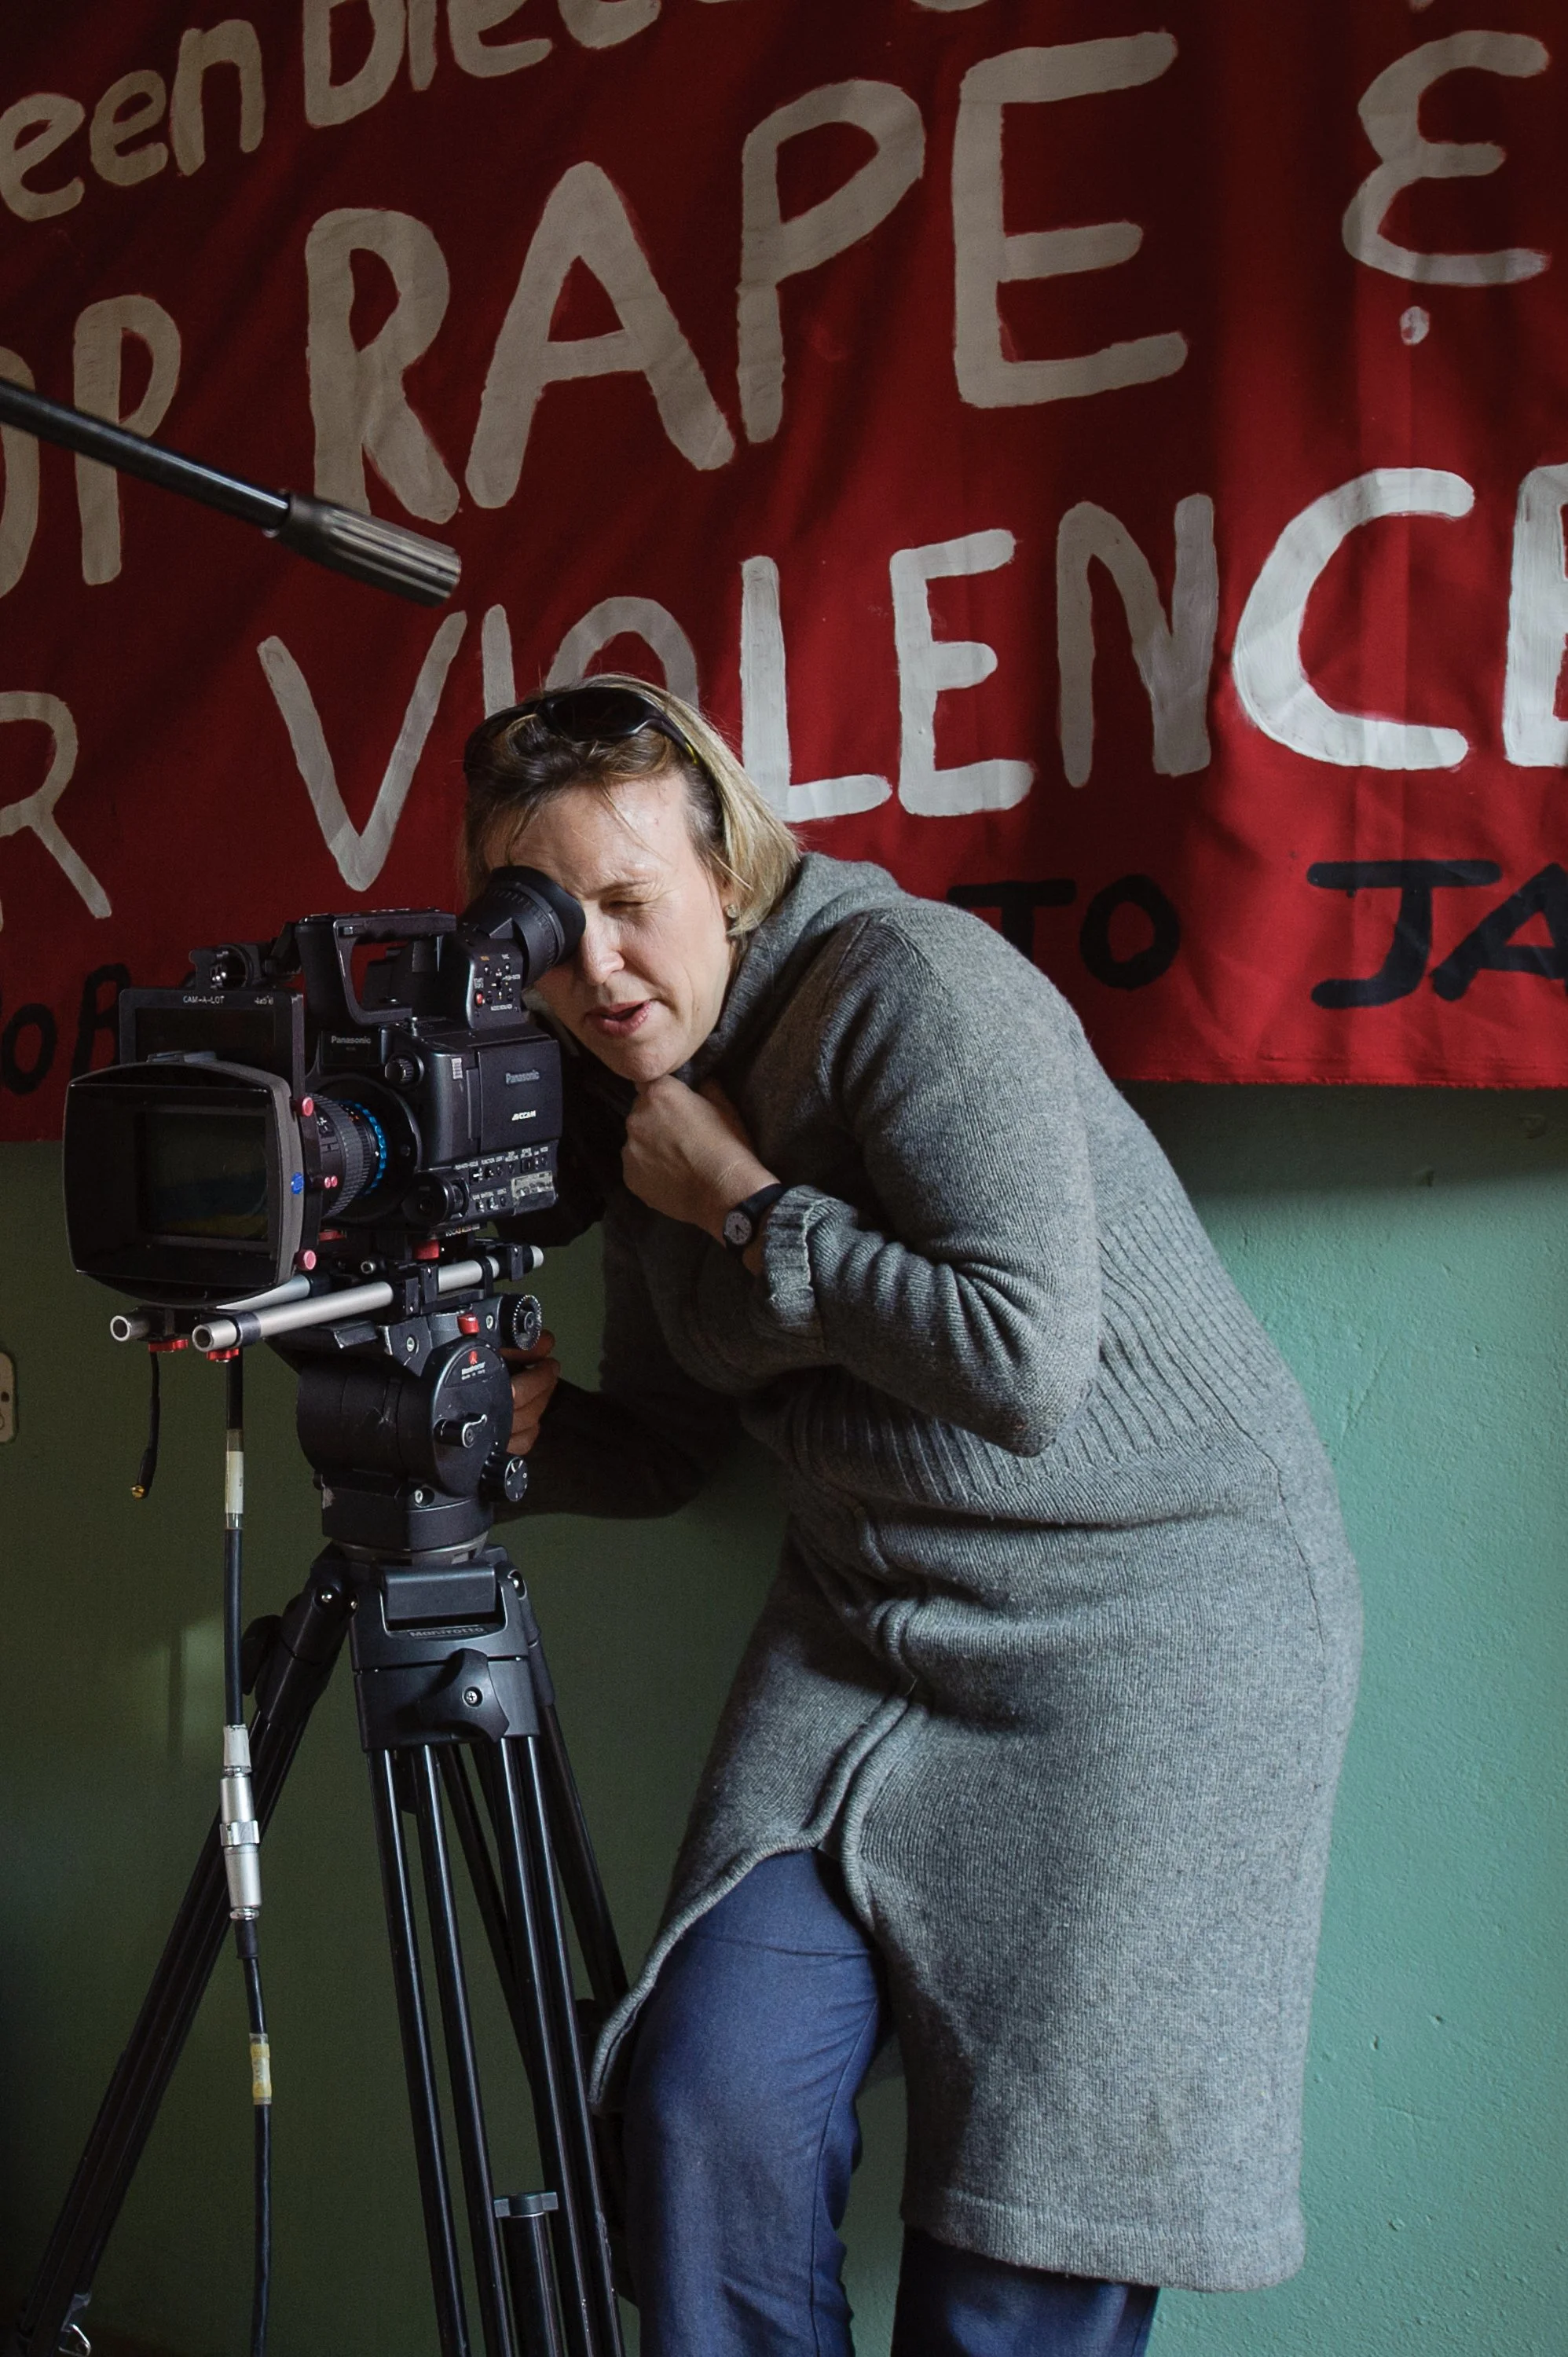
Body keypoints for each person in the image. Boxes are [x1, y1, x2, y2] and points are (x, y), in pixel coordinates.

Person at [462, 677, 1362, 2357]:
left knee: (1019, 2249)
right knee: (700, 2106)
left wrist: (735, 1202)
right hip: (867, 1634)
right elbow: (668, 1444)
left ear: (723, 868)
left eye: (630, 903)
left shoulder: (913, 987)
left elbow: (1017, 1360)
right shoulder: (622, 1090)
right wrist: (518, 1437)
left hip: (1145, 1636)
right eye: (546, 922)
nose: (593, 968)